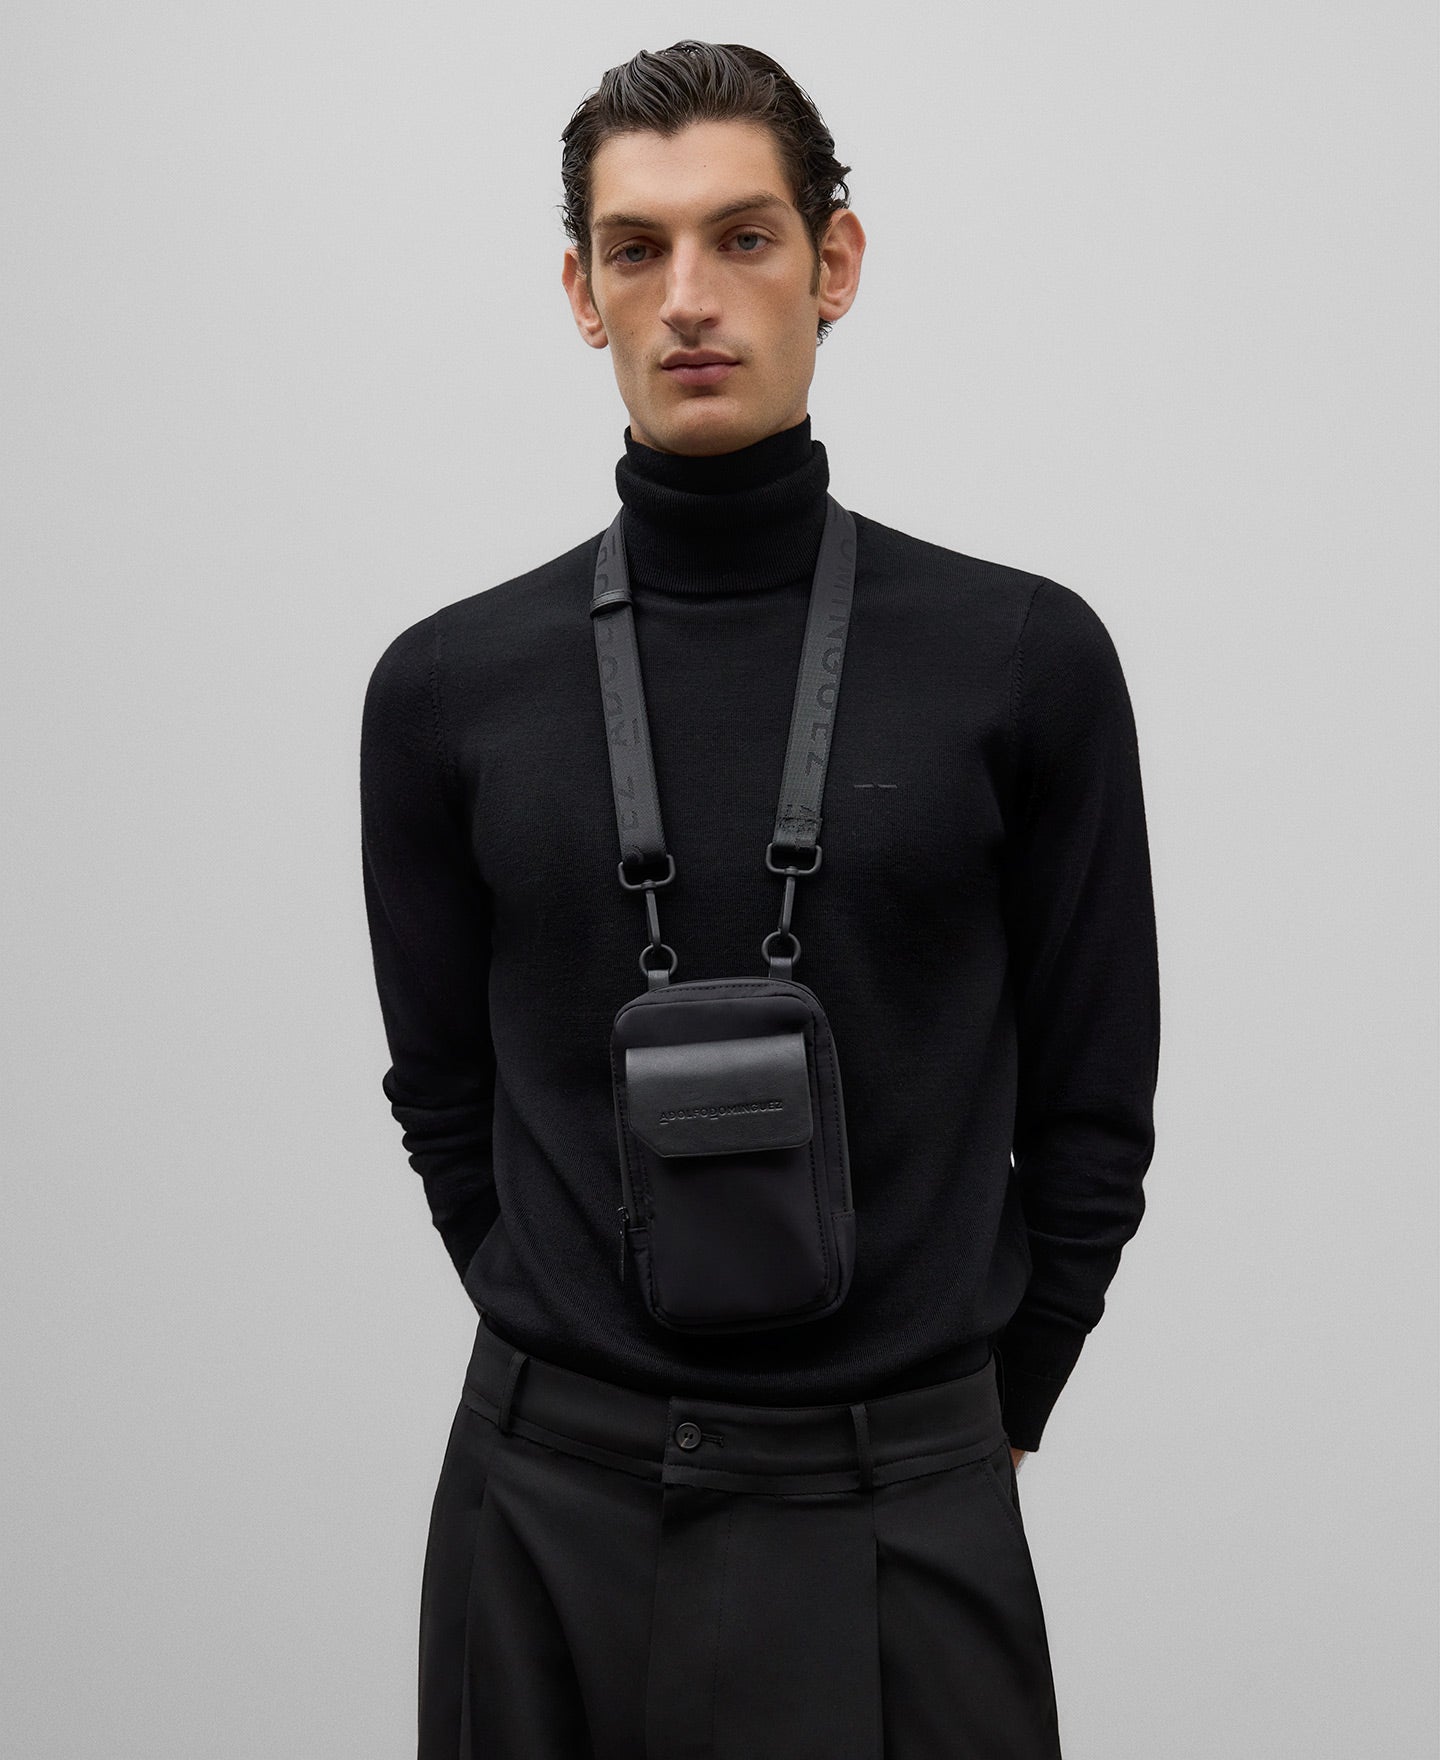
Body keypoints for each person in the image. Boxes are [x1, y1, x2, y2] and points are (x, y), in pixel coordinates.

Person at [360, 38, 1161, 1760]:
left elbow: (1096, 1102)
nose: (689, 298)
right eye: (635, 248)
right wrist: (561, 1352)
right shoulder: (444, 689)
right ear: (580, 292)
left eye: (744, 237)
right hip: (548, 1515)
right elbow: (441, 1094)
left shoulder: (1023, 659)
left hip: (902, 1501)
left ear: (834, 263)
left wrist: (987, 1409)